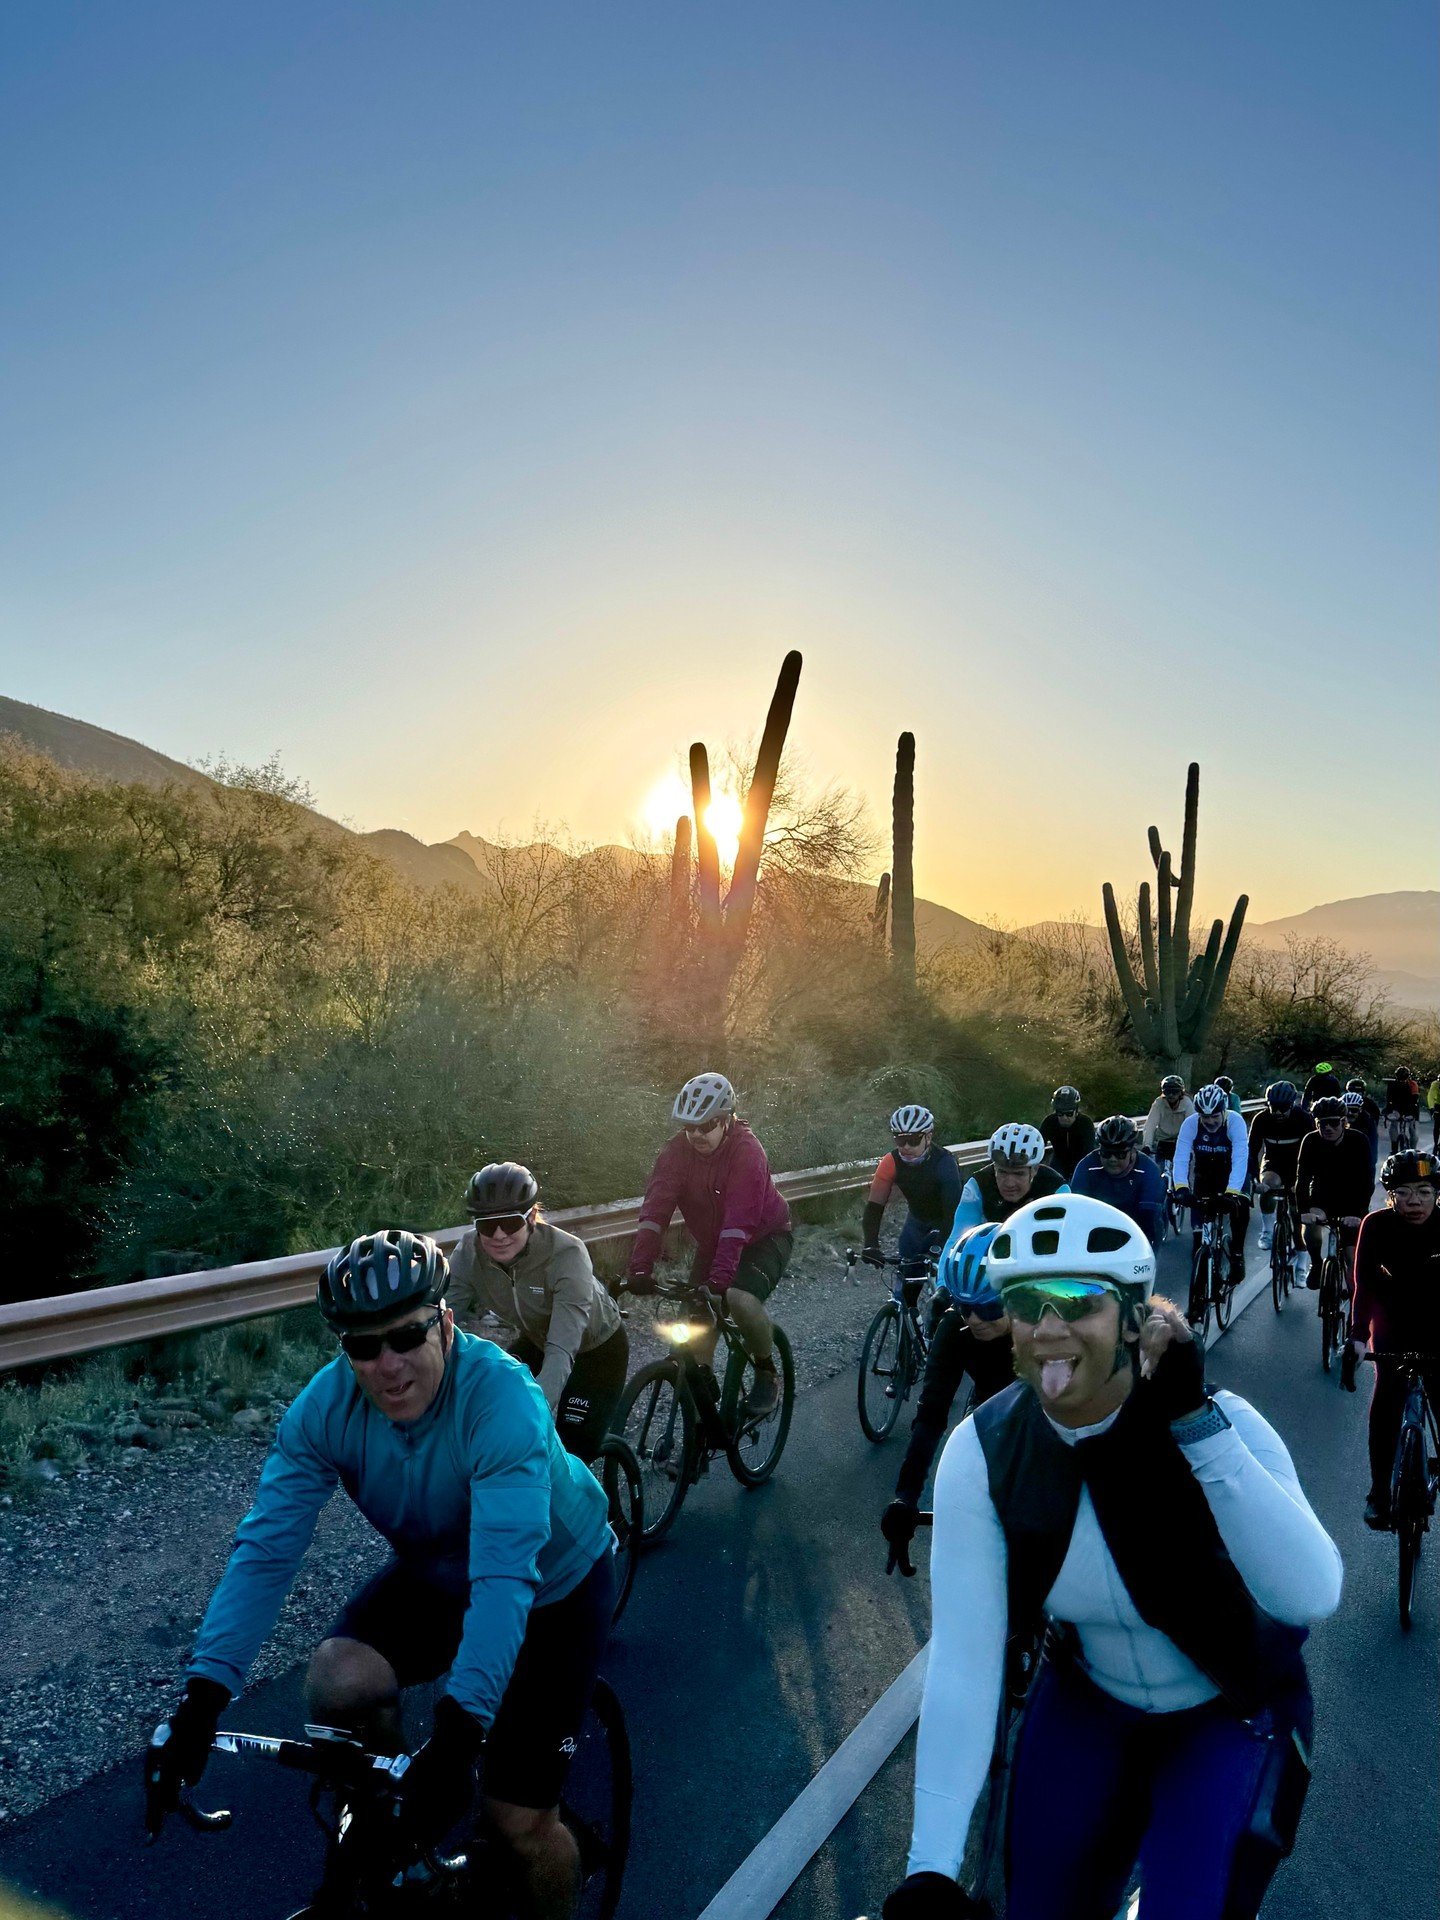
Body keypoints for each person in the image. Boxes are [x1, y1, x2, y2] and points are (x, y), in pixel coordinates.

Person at [880, 1194, 1341, 1920]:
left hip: (1227, 1710)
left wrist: (1197, 1427)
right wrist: (930, 1868)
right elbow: (966, 1660)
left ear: (1135, 1319)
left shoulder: (1224, 1423)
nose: (1051, 1329)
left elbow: (1311, 1593)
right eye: (1029, 1304)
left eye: (1079, 1302)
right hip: (1088, 1703)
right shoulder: (982, 1451)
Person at [145, 1230, 616, 1920]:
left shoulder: (501, 1399)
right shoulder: (324, 1410)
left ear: (445, 1323)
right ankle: (406, 1852)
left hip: (552, 1585)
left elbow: (505, 1581)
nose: (388, 1365)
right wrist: (202, 1700)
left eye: (404, 1337)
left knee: (519, 1822)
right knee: (338, 1678)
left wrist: (458, 1739)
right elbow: (266, 1552)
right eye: (363, 1347)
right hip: (439, 1571)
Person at [624, 1071, 792, 1417]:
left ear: (727, 1119)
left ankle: (765, 1369)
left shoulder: (747, 1151)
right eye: (689, 1127)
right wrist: (641, 1266)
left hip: (764, 1237)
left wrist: (719, 1281)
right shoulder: (675, 1153)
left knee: (739, 1297)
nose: (697, 1134)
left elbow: (739, 1222)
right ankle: (700, 1429)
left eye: (707, 1125)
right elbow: (656, 1210)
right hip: (715, 1241)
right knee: (695, 1335)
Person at [450, 1162, 628, 1460]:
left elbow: (560, 1349)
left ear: (531, 1217)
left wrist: (537, 1410)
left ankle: (583, 1504)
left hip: (596, 1350)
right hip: (536, 1341)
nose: (498, 1235)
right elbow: (442, 1319)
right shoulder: (469, 1251)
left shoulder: (566, 1254)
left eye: (509, 1223)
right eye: (485, 1225)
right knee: (494, 1417)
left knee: (571, 1450)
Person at [880, 1223, 1016, 1573]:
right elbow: (931, 1416)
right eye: (964, 1305)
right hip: (992, 1402)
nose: (975, 1319)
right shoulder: (955, 1328)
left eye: (987, 1308)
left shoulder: (1049, 1322)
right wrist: (905, 1497)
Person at [1342, 1149, 1440, 1530]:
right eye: (1403, 1192)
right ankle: (1379, 1492)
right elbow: (1363, 1286)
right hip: (1392, 1325)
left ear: (1436, 1194)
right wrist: (1355, 1338)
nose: (1414, 1201)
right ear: (1390, 1196)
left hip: (1438, 1325)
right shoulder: (1376, 1225)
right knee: (1386, 1401)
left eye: (1423, 1191)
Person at [861, 1104, 962, 1308]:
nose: (906, 1146)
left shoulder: (944, 1162)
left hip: (945, 1222)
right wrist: (871, 1243)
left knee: (948, 1292)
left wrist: (941, 1245)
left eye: (913, 1140)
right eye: (900, 1139)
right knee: (905, 1292)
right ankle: (906, 1326)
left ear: (928, 1137)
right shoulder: (890, 1161)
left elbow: (953, 1212)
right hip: (916, 1222)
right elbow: (874, 1206)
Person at [940, 1122, 1068, 1258]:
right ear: (994, 1167)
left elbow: (1069, 1243)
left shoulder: (1056, 1189)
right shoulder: (978, 1185)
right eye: (1002, 1172)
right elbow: (956, 1241)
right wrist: (942, 1279)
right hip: (992, 1257)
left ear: (1035, 1170)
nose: (1009, 1183)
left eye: (1019, 1174)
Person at [1173, 1084, 1251, 1287]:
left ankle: (1237, 1253)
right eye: (1204, 1116)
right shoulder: (1191, 1124)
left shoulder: (1235, 1121)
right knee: (1198, 1242)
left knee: (1240, 1206)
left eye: (1214, 1116)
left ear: (1223, 1110)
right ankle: (1199, 1299)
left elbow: (1240, 1158)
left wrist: (1233, 1193)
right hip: (1205, 1174)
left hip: (1232, 1173)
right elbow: (1181, 1158)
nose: (1209, 1121)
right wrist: (1181, 1188)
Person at [1295, 1099, 1373, 1288]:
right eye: (1322, 1123)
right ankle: (1316, 1263)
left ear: (1344, 1121)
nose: (1328, 1127)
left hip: (1353, 1200)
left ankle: (1355, 1308)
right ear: (1317, 1124)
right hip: (1322, 1196)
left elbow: (1367, 1181)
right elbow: (1302, 1179)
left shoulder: (1359, 1140)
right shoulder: (1310, 1140)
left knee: (1351, 1258)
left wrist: (1358, 1213)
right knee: (1312, 1225)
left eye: (1334, 1122)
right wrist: (1303, 1210)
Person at [1247, 1081, 1315, 1269]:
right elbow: (1251, 1152)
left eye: (1282, 1108)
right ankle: (1267, 1231)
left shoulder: (1303, 1118)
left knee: (1296, 1215)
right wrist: (1254, 1179)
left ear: (1292, 1105)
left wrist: (1304, 1182)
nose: (1277, 1113)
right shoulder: (1261, 1119)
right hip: (1274, 1163)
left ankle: (1302, 1262)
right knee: (1268, 1184)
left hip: (1299, 1165)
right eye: (1273, 1107)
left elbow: (1315, 1151)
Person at [1072, 1114, 1166, 1243]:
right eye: (1106, 1153)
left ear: (1132, 1151)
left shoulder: (1148, 1171)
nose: (1112, 1159)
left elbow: (1149, 1222)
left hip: (1138, 1228)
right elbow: (1077, 1213)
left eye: (1120, 1154)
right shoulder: (1086, 1167)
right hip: (1096, 1230)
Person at [1039, 1085, 1097, 1182]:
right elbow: (1039, 1146)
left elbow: (1089, 1151)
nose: (1064, 1117)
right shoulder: (1049, 1122)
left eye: (1069, 1113)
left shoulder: (1085, 1123)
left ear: (1076, 1111)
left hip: (1081, 1161)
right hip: (1058, 1162)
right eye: (1060, 1113)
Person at [1141, 1074, 1193, 1178]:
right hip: (1163, 1141)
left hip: (1181, 1142)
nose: (1171, 1095)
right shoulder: (1159, 1103)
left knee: (1183, 1175)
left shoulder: (1187, 1103)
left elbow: (1192, 1125)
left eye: (1175, 1092)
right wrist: (1147, 1145)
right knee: (1159, 1175)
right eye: (1167, 1092)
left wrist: (1192, 1145)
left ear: (1181, 1092)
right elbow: (1150, 1125)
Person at [1342, 1089, 1380, 1178]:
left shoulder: (1368, 1122)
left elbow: (1373, 1152)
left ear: (1360, 1110)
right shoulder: (1337, 1120)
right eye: (1347, 1110)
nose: (1350, 1113)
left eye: (1354, 1110)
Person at [1384, 1064, 1422, 1150]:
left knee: (1412, 1128)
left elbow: (1414, 1100)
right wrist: (1390, 1111)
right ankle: (1394, 1147)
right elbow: (1389, 1099)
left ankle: (1413, 1149)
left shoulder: (1413, 1084)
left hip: (1411, 1106)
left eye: (1404, 1078)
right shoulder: (1392, 1085)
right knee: (1393, 1124)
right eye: (1400, 1078)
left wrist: (1411, 1114)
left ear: (1408, 1077)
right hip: (1396, 1107)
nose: (1402, 1080)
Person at [1428, 1070, 1440, 1150]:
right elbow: (1431, 1096)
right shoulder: (1435, 1084)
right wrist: (1432, 1108)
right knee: (1437, 1125)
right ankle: (1436, 1144)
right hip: (1438, 1105)